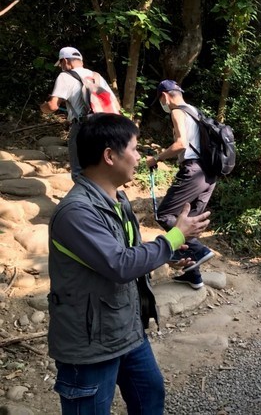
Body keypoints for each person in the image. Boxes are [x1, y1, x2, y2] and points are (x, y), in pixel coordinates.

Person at [47, 113, 211, 414]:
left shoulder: (117, 200)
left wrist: (167, 259)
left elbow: (124, 254)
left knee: (150, 397)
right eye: (134, 149)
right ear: (109, 155)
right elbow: (119, 264)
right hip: (89, 344)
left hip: (126, 329)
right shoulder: (76, 212)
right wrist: (172, 239)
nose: (139, 157)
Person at [146, 80, 216, 290]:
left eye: (161, 99)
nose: (162, 103)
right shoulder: (196, 112)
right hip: (210, 173)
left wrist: (156, 159)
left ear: (165, 96)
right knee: (188, 222)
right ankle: (193, 275)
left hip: (193, 170)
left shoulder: (177, 112)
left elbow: (181, 144)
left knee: (165, 214)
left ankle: (199, 250)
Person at [40, 47, 118, 180]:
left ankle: (83, 200)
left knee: (79, 171)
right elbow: (115, 105)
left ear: (65, 61)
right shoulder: (96, 76)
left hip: (83, 127)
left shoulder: (65, 76)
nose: (61, 68)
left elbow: (53, 106)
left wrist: (43, 108)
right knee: (102, 169)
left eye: (61, 65)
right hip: (106, 127)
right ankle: (107, 200)